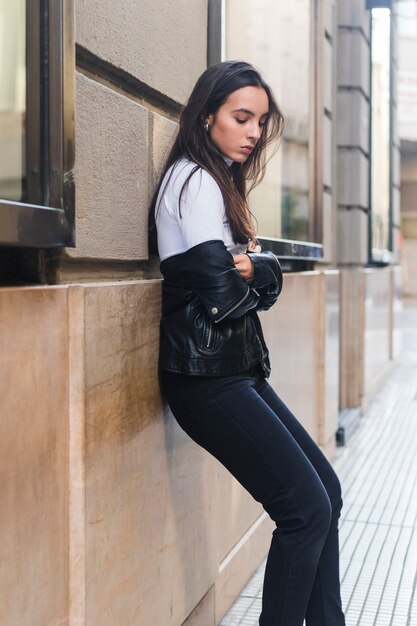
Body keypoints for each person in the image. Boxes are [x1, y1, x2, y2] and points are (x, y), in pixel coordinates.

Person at [149, 60, 345, 626]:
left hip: (233, 372)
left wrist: (259, 268)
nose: (254, 132)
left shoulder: (217, 182)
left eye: (260, 120)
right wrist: (261, 274)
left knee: (324, 494)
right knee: (304, 509)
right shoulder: (194, 181)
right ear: (207, 115)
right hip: (206, 381)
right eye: (241, 117)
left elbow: (253, 282)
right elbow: (226, 297)